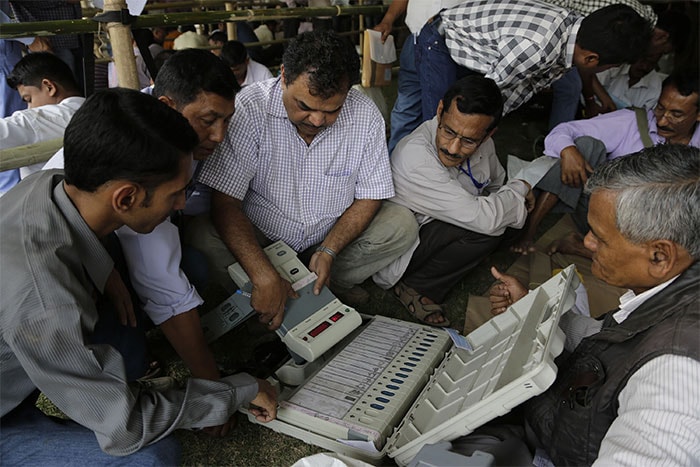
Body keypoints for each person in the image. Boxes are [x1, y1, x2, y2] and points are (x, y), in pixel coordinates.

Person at [0, 88, 277, 465]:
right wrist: (237, 391)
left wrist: (104, 267)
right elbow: (127, 426)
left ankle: (116, 373)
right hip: (6, 414)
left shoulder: (44, 185)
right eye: (176, 193)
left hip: (19, 380)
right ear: (126, 198)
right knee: (150, 457)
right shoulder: (46, 301)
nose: (181, 204)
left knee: (169, 265)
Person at [480, 144, 700, 466]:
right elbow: (614, 342)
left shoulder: (676, 379)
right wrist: (533, 310)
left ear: (659, 256)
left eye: (600, 237)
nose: (586, 243)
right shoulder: (675, 292)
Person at [193, 31, 418, 328]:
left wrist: (329, 250)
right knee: (201, 237)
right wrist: (262, 272)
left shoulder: (365, 115)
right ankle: (276, 286)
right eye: (305, 106)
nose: (316, 121)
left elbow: (370, 195)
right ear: (284, 76)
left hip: (327, 238)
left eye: (331, 110)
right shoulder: (249, 107)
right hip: (260, 236)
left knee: (401, 224)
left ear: (348, 93)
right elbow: (225, 202)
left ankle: (317, 282)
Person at [44, 49, 240, 382]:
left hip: (103, 249)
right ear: (167, 106)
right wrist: (213, 383)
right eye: (208, 121)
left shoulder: (166, 130)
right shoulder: (139, 149)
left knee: (190, 265)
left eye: (226, 121)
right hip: (63, 273)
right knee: (126, 366)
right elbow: (159, 276)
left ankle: (129, 318)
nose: (220, 136)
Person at [374, 76, 534, 326]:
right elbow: (486, 218)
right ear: (440, 111)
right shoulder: (415, 156)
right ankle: (416, 285)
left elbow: (496, 184)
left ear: (489, 133)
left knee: (512, 214)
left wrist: (512, 196)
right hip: (407, 243)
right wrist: (520, 188)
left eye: (469, 140)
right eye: (448, 131)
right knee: (490, 226)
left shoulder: (485, 144)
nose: (454, 148)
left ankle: (463, 255)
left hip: (455, 219)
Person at [513, 70, 700, 255]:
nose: (662, 120)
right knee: (585, 145)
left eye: (676, 114)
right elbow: (564, 131)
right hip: (605, 215)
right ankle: (529, 231)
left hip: (656, 225)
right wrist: (568, 151)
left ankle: (580, 248)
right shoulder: (631, 122)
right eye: (660, 108)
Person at [416, 1, 651, 123]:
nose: (607, 70)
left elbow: (521, 88)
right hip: (442, 40)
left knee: (463, 124)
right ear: (591, 59)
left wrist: (492, 123)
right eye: (609, 67)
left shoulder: (574, 34)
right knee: (440, 124)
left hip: (475, 53)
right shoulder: (537, 48)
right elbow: (483, 96)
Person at [373, 0, 464, 153]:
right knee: (406, 109)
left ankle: (433, 166)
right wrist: (387, 20)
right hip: (416, 38)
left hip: (456, 44)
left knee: (443, 111)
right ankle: (394, 167)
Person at [2, 52, 83, 178]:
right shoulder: (101, 112)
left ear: (49, 87)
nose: (30, 108)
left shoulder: (43, 120)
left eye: (29, 99)